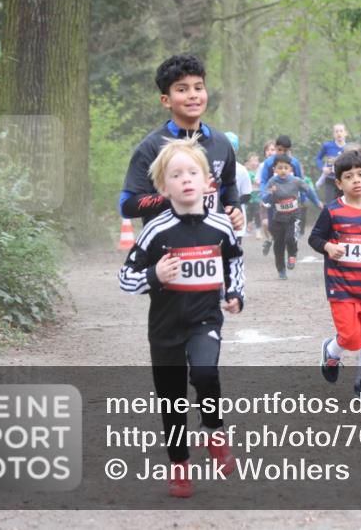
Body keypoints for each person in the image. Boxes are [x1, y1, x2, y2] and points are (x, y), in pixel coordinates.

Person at [117, 136, 244, 498]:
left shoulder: (220, 226)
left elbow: (234, 261)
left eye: (193, 172)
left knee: (206, 373)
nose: (186, 179)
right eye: (176, 174)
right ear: (162, 186)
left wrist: (235, 294)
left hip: (205, 319)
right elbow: (125, 279)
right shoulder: (155, 231)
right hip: (165, 328)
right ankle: (179, 465)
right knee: (171, 399)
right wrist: (154, 275)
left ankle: (215, 432)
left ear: (208, 182)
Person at [120, 54, 244, 231]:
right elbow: (127, 205)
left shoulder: (222, 143)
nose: (193, 95)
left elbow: (228, 186)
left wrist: (235, 209)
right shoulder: (151, 147)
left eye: (198, 88)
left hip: (212, 250)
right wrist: (172, 197)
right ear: (166, 100)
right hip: (168, 251)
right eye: (182, 89)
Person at [308, 151, 361, 398]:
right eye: (349, 176)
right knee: (351, 337)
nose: (356, 180)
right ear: (339, 183)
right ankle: (331, 353)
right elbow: (315, 238)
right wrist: (329, 247)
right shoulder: (332, 212)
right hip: (340, 285)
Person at [262, 154, 322, 279]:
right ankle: (281, 270)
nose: (283, 170)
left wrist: (317, 202)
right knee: (278, 246)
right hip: (278, 218)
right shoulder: (272, 182)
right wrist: (270, 193)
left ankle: (292, 254)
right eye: (280, 168)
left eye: (286, 168)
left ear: (291, 169)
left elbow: (309, 190)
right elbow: (264, 198)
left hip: (293, 216)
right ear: (274, 169)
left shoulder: (295, 181)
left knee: (290, 238)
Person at [258, 135, 304, 256]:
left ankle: (292, 249)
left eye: (285, 150)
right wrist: (264, 194)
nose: (282, 153)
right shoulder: (268, 163)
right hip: (274, 202)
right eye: (279, 150)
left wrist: (302, 199)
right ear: (275, 148)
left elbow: (301, 181)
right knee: (275, 231)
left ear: (289, 150)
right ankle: (279, 250)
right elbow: (263, 181)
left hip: (291, 202)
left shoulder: (294, 162)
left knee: (290, 231)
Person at [224, 131, 252, 240]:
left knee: (235, 246)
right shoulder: (214, 168)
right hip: (219, 215)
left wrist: (232, 204)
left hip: (236, 215)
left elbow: (247, 195)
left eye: (232, 148)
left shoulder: (241, 170)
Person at [316, 123, 348, 203]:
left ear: (345, 133)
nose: (339, 133)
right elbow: (318, 158)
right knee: (330, 204)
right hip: (330, 179)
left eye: (341, 131)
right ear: (333, 134)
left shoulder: (349, 147)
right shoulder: (327, 146)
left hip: (344, 180)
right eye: (336, 131)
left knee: (344, 203)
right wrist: (323, 168)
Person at [244, 153, 263, 238]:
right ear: (248, 162)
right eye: (252, 160)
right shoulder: (247, 172)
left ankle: (258, 230)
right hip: (249, 196)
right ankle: (248, 229)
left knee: (257, 213)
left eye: (256, 160)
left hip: (257, 196)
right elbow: (256, 182)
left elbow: (261, 182)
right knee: (249, 214)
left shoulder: (261, 171)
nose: (254, 163)